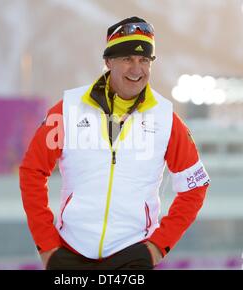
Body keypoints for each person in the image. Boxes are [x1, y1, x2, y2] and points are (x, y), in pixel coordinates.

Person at [19, 16, 210, 270]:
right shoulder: (68, 110)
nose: (136, 69)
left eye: (144, 60)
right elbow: (32, 171)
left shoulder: (166, 119)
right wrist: (47, 245)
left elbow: (195, 186)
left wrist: (157, 246)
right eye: (127, 59)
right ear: (108, 62)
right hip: (71, 254)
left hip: (133, 257)